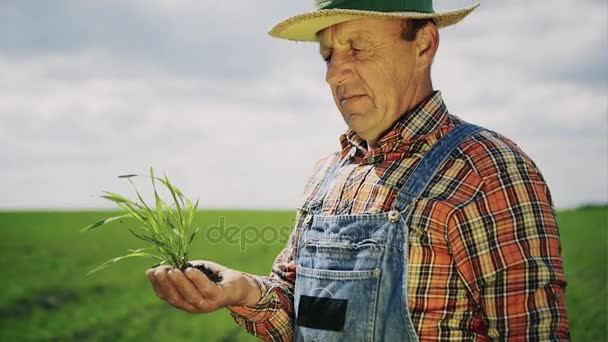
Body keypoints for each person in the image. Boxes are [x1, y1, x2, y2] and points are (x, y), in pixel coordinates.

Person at [146, 1, 570, 340]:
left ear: (423, 45)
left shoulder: (486, 170)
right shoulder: (328, 176)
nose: (334, 74)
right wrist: (241, 290)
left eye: (357, 48)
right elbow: (308, 317)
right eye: (328, 54)